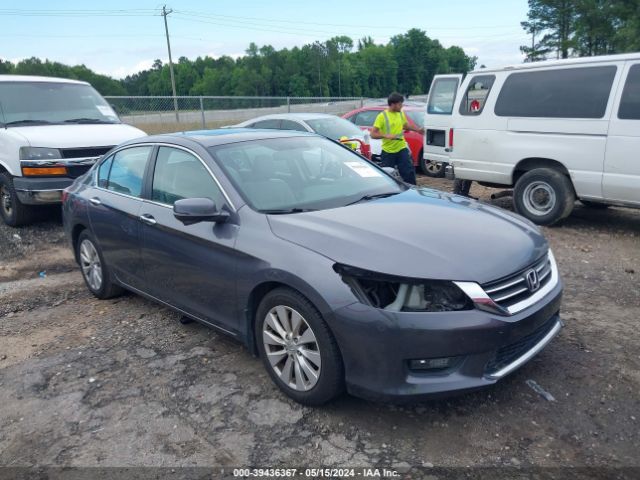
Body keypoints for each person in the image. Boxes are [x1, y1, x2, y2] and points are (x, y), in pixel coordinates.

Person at [370, 92, 424, 185]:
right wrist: (386, 135)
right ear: (393, 104)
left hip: (401, 148)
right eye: (400, 104)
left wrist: (417, 130)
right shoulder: (382, 116)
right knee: (388, 178)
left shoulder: (400, 113)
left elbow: (406, 126)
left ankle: (412, 192)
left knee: (409, 173)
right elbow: (372, 134)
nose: (401, 106)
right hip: (388, 152)